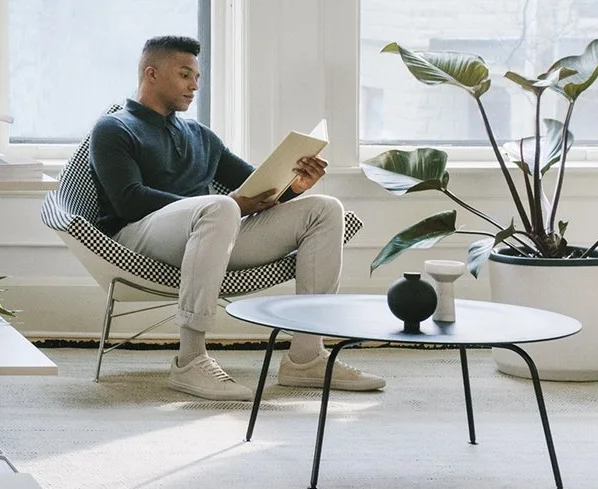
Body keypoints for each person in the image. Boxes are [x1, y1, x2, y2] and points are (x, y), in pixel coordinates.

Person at [86, 35, 383, 403]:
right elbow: (128, 201)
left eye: (197, 76)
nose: (194, 85)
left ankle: (306, 357)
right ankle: (190, 359)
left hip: (213, 232)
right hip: (139, 239)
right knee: (222, 207)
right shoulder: (114, 127)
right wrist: (228, 205)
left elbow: (253, 188)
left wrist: (293, 186)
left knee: (324, 209)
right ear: (151, 74)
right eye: (184, 75)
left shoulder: (200, 136)